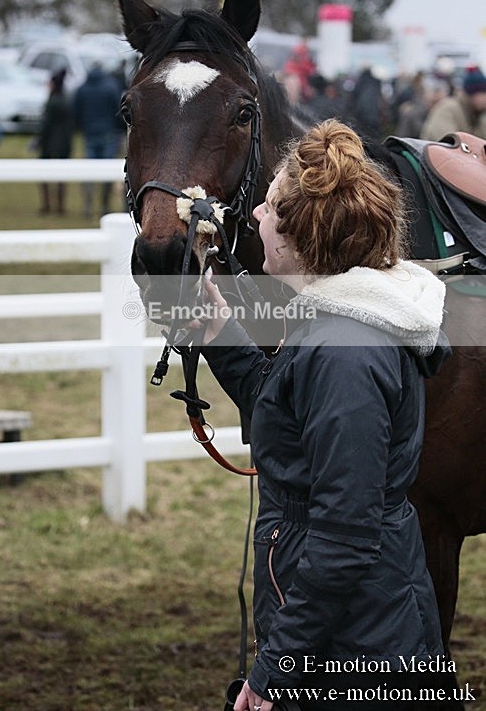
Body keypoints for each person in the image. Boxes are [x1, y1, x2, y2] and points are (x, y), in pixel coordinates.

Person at [198, 119, 450, 710]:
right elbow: (289, 420)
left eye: (266, 208)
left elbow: (343, 536)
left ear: (299, 233)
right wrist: (219, 334)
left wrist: (275, 667)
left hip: (361, 643)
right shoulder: (336, 324)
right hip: (354, 626)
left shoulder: (344, 352)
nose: (255, 218)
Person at [73, 61, 123, 218]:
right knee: (108, 172)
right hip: (108, 134)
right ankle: (104, 206)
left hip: (89, 134)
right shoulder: (111, 87)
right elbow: (119, 110)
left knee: (89, 172)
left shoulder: (82, 88)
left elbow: (75, 111)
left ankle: (88, 205)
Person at [36, 68, 73, 215]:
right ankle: (60, 205)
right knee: (61, 176)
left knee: (45, 175)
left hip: (49, 143)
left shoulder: (52, 101)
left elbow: (46, 124)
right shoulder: (66, 99)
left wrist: (39, 140)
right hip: (64, 141)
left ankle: (47, 204)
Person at [420, 65, 486, 141]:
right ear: (474, 94)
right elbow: (449, 142)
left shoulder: (478, 113)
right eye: (484, 94)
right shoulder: (448, 109)